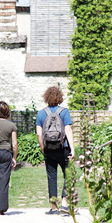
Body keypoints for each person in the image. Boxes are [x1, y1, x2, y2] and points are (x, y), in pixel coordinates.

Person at [35, 86, 75, 214]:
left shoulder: (41, 113)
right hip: (63, 148)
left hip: (49, 149)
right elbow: (68, 129)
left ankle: (53, 207)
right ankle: (64, 204)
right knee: (68, 175)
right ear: (60, 97)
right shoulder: (64, 112)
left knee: (51, 176)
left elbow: (38, 133)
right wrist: (72, 149)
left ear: (46, 97)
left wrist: (43, 147)